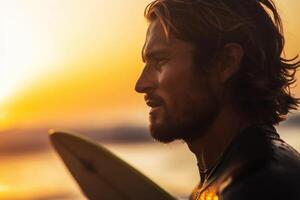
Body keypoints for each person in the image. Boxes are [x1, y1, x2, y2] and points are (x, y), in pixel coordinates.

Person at [135, 0, 300, 199]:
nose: (141, 84)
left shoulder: (259, 186)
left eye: (160, 61)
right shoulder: (223, 180)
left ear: (225, 63)